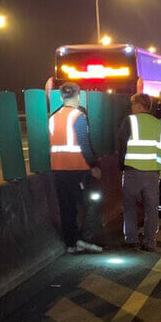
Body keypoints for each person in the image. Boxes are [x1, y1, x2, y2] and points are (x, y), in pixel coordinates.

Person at [49, 82, 103, 254]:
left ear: (61, 97)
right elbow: (83, 143)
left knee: (67, 208)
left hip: (58, 169)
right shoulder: (78, 116)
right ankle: (86, 239)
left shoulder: (53, 117)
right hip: (78, 169)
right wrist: (93, 165)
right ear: (79, 96)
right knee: (92, 202)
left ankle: (71, 244)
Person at [118, 93, 161, 251]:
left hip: (133, 170)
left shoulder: (129, 121)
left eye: (133, 105)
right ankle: (150, 242)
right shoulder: (159, 124)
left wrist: (121, 166)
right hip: (152, 172)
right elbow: (160, 150)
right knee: (152, 209)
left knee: (130, 205)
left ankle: (131, 239)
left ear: (139, 105)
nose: (132, 108)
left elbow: (122, 145)